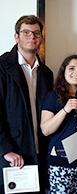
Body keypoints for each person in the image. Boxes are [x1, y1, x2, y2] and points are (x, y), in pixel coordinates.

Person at [0, 15, 53, 193]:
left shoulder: (46, 73)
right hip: (13, 153)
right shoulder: (2, 67)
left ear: (41, 38)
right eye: (26, 32)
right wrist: (6, 149)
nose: (32, 37)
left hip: (40, 152)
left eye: (36, 33)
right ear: (17, 37)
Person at [40, 55, 77, 193]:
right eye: (71, 68)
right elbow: (45, 129)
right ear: (63, 72)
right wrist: (65, 110)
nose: (76, 72)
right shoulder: (52, 97)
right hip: (59, 163)